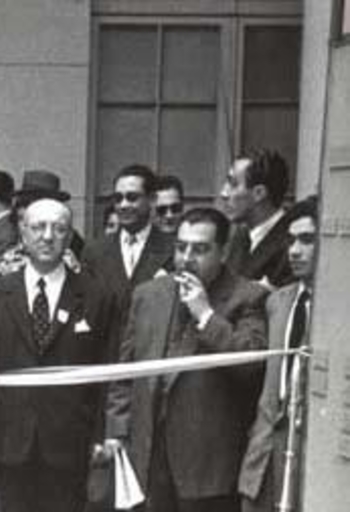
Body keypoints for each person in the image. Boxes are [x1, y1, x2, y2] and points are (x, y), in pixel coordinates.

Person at [102, 208, 269, 512]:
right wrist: (117, 429)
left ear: (224, 251)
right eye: (181, 247)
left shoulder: (249, 297)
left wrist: (205, 314)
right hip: (149, 455)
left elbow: (251, 366)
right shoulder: (148, 295)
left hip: (208, 463)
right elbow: (125, 370)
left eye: (200, 249)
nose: (187, 257)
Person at [0, 199, 121, 512]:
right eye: (38, 227)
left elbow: (107, 372)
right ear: (23, 234)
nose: (48, 236)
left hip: (71, 440)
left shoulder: (96, 296)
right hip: (11, 439)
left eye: (59, 228)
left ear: (69, 237)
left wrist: (102, 434)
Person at [239, 197, 318, 512]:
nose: (294, 251)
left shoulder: (337, 310)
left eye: (307, 240)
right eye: (291, 240)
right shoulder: (277, 303)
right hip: (264, 459)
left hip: (311, 457)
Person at [82, 164, 174, 300]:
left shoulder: (172, 249)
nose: (123, 205)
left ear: (152, 200)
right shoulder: (95, 251)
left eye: (132, 197)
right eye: (118, 198)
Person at [221, 150, 294, 290]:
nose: (223, 193)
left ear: (259, 193)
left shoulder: (290, 245)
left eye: (233, 184)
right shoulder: (241, 235)